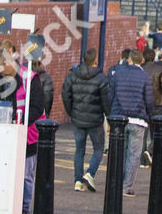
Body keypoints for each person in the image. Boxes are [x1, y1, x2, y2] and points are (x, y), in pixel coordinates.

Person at [62, 50, 112, 192]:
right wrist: (108, 118)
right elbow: (106, 102)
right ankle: (90, 174)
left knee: (79, 150)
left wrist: (71, 112)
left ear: (83, 60)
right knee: (98, 148)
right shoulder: (101, 78)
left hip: (77, 118)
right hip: (95, 120)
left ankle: (78, 181)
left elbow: (65, 94)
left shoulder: (72, 75)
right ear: (95, 60)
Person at [109, 48, 153, 198]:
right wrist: (148, 115)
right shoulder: (145, 76)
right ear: (142, 60)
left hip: (119, 118)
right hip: (138, 119)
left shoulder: (118, 74)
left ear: (128, 59)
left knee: (121, 151)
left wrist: (112, 113)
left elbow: (111, 95)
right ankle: (127, 186)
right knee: (134, 155)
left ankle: (117, 183)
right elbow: (149, 100)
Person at [18, 53, 49, 214]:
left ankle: (24, 210)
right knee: (26, 175)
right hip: (24, 132)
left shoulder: (32, 79)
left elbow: (39, 105)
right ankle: (21, 208)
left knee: (26, 174)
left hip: (30, 133)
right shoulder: (38, 78)